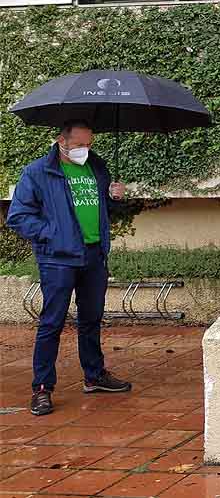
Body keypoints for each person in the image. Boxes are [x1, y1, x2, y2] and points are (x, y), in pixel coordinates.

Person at [6, 120, 133, 417]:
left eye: (89, 144)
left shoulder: (98, 168)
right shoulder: (38, 172)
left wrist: (114, 198)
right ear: (61, 141)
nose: (84, 150)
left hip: (93, 255)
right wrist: (53, 232)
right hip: (58, 258)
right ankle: (42, 388)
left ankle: (94, 375)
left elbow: (98, 208)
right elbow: (18, 216)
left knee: (91, 319)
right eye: (78, 145)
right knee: (52, 323)